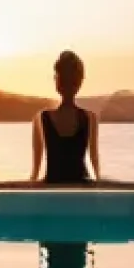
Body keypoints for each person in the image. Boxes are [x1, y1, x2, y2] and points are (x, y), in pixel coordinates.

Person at [30, 50, 101, 184]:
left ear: (57, 81)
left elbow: (34, 173)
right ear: (79, 83)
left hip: (52, 188)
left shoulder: (41, 118)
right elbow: (96, 167)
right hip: (82, 189)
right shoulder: (90, 118)